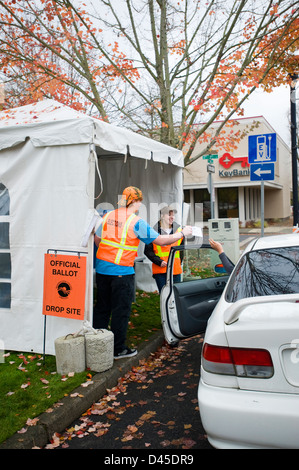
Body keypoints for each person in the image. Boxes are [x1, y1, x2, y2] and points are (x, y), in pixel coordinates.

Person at [93, 187, 192, 360]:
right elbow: (160, 241)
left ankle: (96, 345)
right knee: (120, 310)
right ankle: (118, 349)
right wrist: (182, 233)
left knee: (102, 308)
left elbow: (97, 239)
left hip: (102, 270)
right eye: (140, 201)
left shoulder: (108, 216)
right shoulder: (135, 221)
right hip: (122, 272)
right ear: (136, 201)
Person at [144, 205, 184, 293]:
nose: (172, 217)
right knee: (164, 295)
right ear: (162, 216)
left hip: (175, 269)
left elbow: (182, 250)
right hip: (160, 270)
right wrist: (159, 261)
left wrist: (178, 262)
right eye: (169, 215)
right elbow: (147, 251)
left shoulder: (179, 230)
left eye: (173, 215)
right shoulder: (152, 231)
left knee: (176, 296)